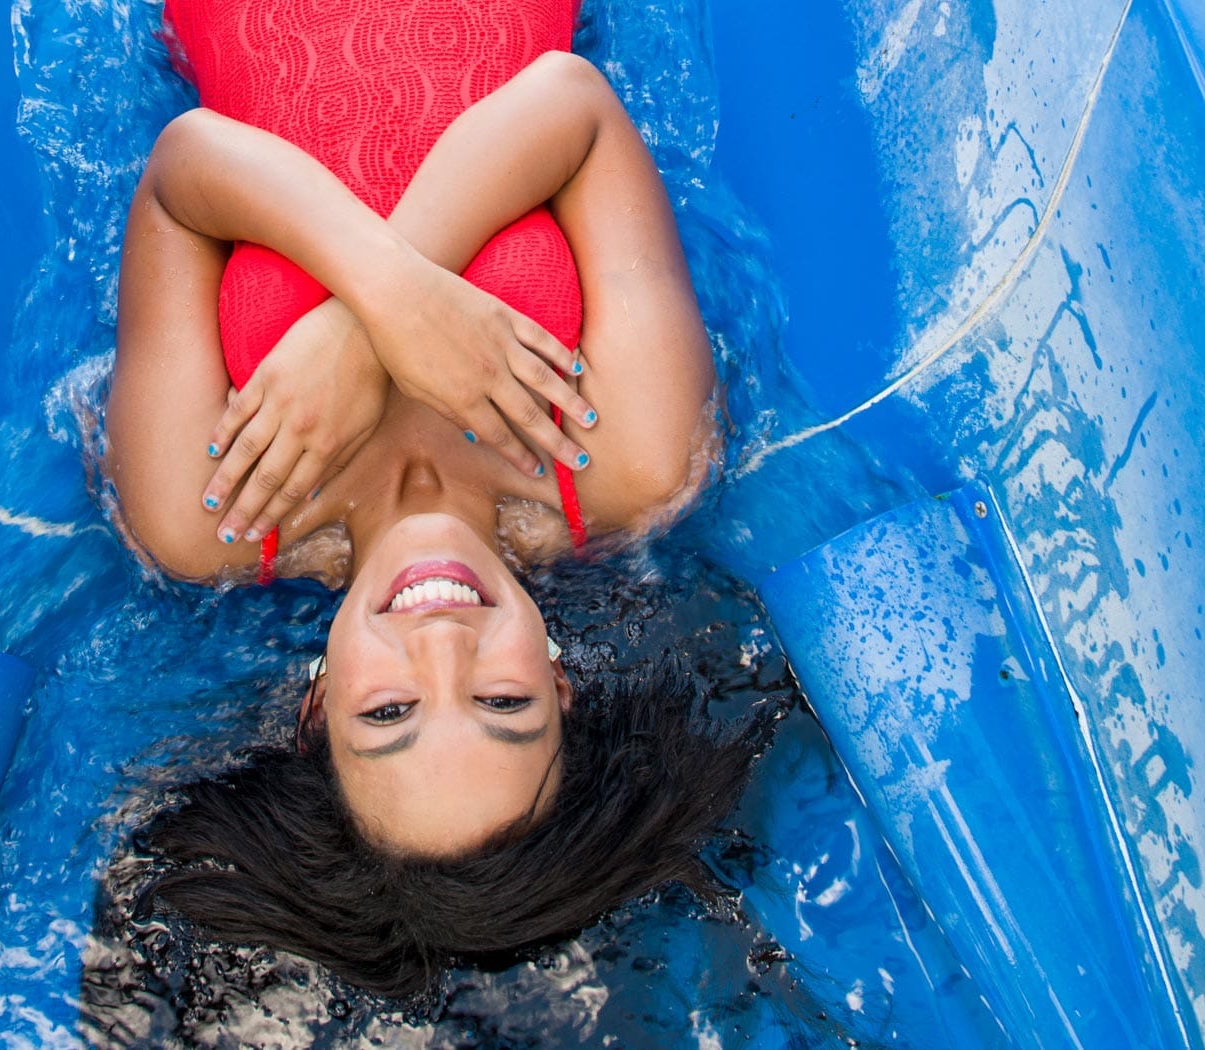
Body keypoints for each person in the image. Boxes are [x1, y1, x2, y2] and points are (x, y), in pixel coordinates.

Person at [90, 0, 776, 999]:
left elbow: (181, 167)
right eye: (502, 703)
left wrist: (366, 325)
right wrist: (389, 315)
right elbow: (572, 106)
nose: (443, 645)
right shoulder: (634, 461)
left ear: (316, 712)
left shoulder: (206, 514)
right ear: (561, 688)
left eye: (390, 711)